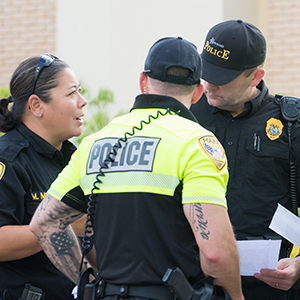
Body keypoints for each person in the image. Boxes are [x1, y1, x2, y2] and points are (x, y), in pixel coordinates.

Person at [29, 37, 244, 300]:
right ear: (198, 92)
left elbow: (44, 223)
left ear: (143, 81)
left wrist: (89, 282)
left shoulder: (94, 143)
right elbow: (215, 253)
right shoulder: (196, 143)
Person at [190, 19, 300, 300]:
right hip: (195, 284)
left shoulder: (290, 124)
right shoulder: (186, 117)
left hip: (270, 287)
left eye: (222, 77)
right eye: (207, 71)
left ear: (255, 76)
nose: (209, 84)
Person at [0, 54, 88, 300]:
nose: (83, 101)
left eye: (80, 92)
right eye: (72, 93)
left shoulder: (74, 159)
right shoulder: (8, 159)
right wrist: (61, 224)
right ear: (36, 105)